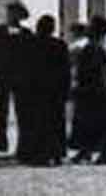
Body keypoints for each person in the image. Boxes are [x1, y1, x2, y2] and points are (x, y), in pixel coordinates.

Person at [68, 15, 106, 165]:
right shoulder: (100, 48)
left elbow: (88, 71)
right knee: (99, 122)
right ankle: (90, 152)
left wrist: (79, 85)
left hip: (92, 89)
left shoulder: (91, 48)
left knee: (89, 121)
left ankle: (90, 151)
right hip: (101, 89)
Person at [0, 1, 32, 156]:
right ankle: (0, 142)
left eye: (15, 14)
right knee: (0, 112)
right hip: (1, 77)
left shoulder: (27, 34)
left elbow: (32, 57)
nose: (12, 16)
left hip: (21, 78)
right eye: (10, 13)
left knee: (22, 111)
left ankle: (24, 143)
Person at [23, 14, 71, 166]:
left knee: (38, 123)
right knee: (56, 122)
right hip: (55, 90)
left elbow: (26, 69)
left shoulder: (31, 45)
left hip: (36, 90)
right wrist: (66, 90)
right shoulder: (60, 45)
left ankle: (39, 153)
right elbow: (66, 71)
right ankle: (57, 153)